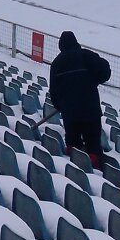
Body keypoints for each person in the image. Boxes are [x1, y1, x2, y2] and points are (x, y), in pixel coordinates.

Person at [48, 31, 111, 169]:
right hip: (90, 109)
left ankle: (74, 168)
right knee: (92, 142)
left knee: (72, 140)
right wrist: (95, 80)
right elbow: (105, 70)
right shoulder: (86, 55)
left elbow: (53, 90)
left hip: (70, 112)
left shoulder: (57, 63)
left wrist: (61, 106)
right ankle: (94, 168)